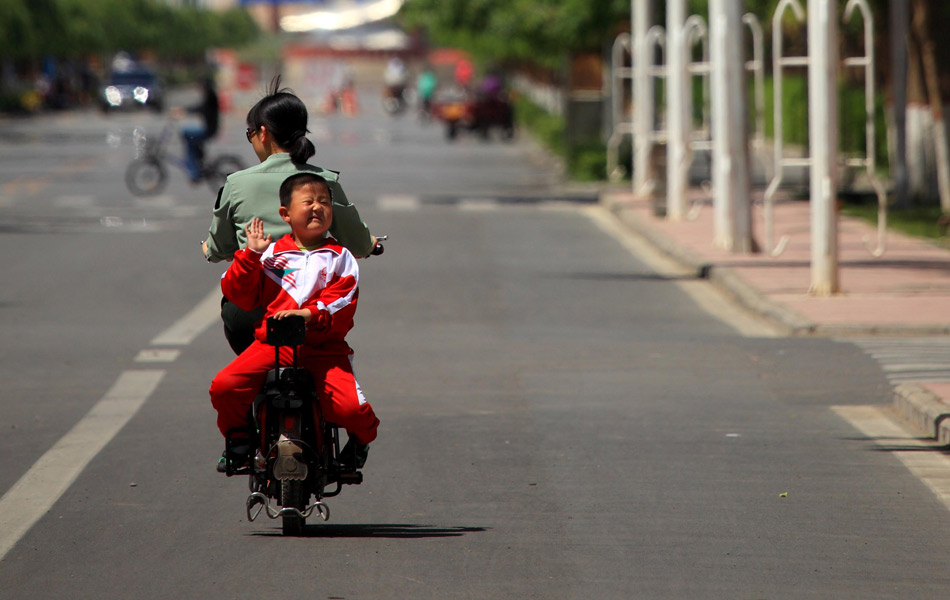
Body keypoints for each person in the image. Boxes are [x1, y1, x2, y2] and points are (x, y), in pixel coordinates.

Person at [209, 172, 379, 472]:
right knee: (224, 386)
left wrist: (309, 314)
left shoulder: (340, 256)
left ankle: (360, 441)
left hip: (324, 349)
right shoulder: (270, 254)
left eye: (324, 202)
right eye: (308, 201)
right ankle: (241, 440)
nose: (317, 207)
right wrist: (250, 255)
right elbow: (238, 293)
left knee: (352, 410)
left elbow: (343, 297)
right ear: (285, 214)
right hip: (272, 346)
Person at [201, 76, 376, 355]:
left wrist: (210, 248)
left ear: (262, 133)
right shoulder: (324, 181)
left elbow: (219, 248)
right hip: (309, 311)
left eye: (250, 134)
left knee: (245, 377)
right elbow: (357, 241)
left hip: (250, 313)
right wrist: (370, 245)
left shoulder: (236, 184)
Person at [177, 76, 220, 182]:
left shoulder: (210, 95)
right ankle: (198, 155)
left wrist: (185, 111)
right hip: (209, 128)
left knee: (187, 134)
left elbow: (201, 108)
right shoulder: (210, 95)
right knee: (189, 134)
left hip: (209, 129)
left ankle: (194, 171)